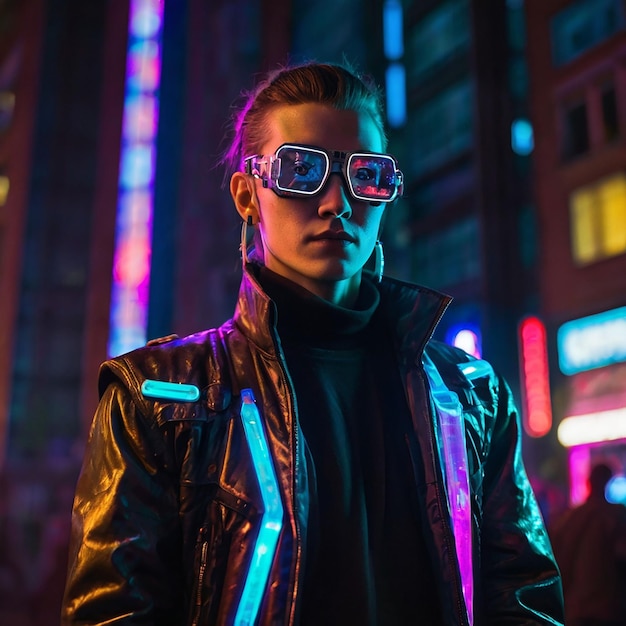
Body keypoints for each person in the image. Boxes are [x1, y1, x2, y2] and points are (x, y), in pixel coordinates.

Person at [61, 61, 564, 625]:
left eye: (365, 174)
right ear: (247, 196)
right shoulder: (155, 398)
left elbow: (522, 595)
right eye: (301, 169)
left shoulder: (473, 396)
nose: (337, 203)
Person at [550, 463, 626, 626]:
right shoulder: (616, 516)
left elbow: (558, 561)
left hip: (576, 609)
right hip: (608, 609)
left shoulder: (570, 518)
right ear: (608, 482)